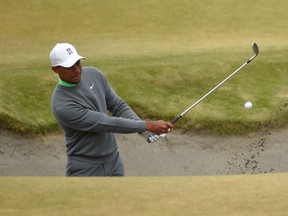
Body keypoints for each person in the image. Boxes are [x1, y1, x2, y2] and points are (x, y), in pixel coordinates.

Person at [49, 43, 173, 176]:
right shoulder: (62, 104)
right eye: (69, 67)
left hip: (114, 162)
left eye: (77, 63)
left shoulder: (94, 74)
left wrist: (142, 130)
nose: (77, 69)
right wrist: (147, 125)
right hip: (86, 169)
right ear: (56, 69)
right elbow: (105, 123)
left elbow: (117, 105)